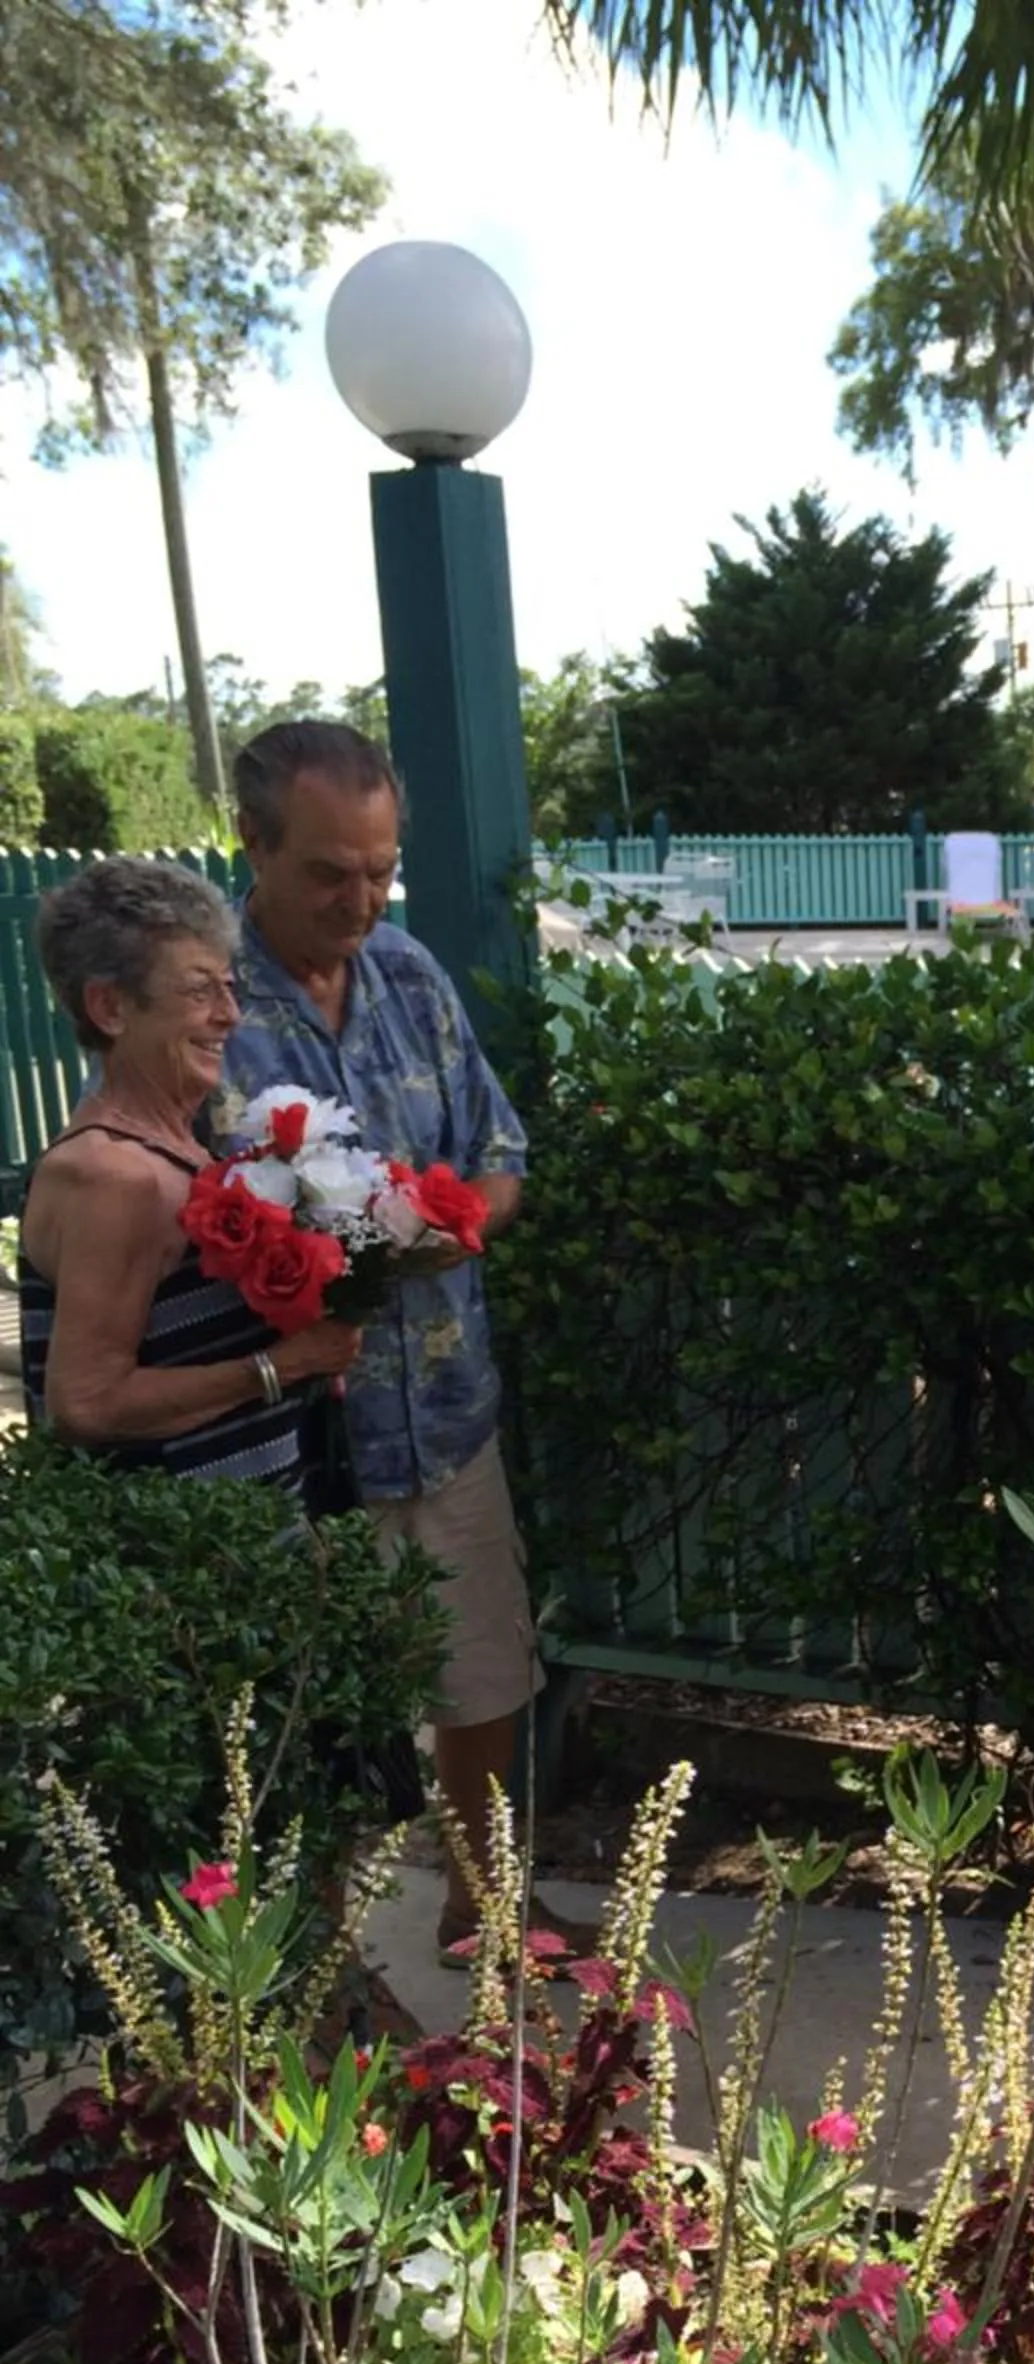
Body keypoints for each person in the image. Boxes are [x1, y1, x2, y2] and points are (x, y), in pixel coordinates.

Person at [221, 719, 584, 1965]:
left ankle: (481, 1909)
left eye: (382, 870)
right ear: (253, 844)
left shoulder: (412, 973)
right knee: (316, 1718)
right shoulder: (204, 996)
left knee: (486, 1676)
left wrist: (449, 1226)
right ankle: (317, 1962)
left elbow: (502, 1155)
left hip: (445, 1406)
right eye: (332, 872)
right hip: (302, 1441)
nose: (362, 899)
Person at [17, 856, 361, 1476]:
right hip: (164, 1566)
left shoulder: (180, 1149)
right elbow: (85, 1404)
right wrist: (280, 1369)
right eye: (200, 990)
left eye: (230, 987)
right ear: (110, 1008)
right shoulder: (111, 1176)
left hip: (236, 1552)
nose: (230, 1015)